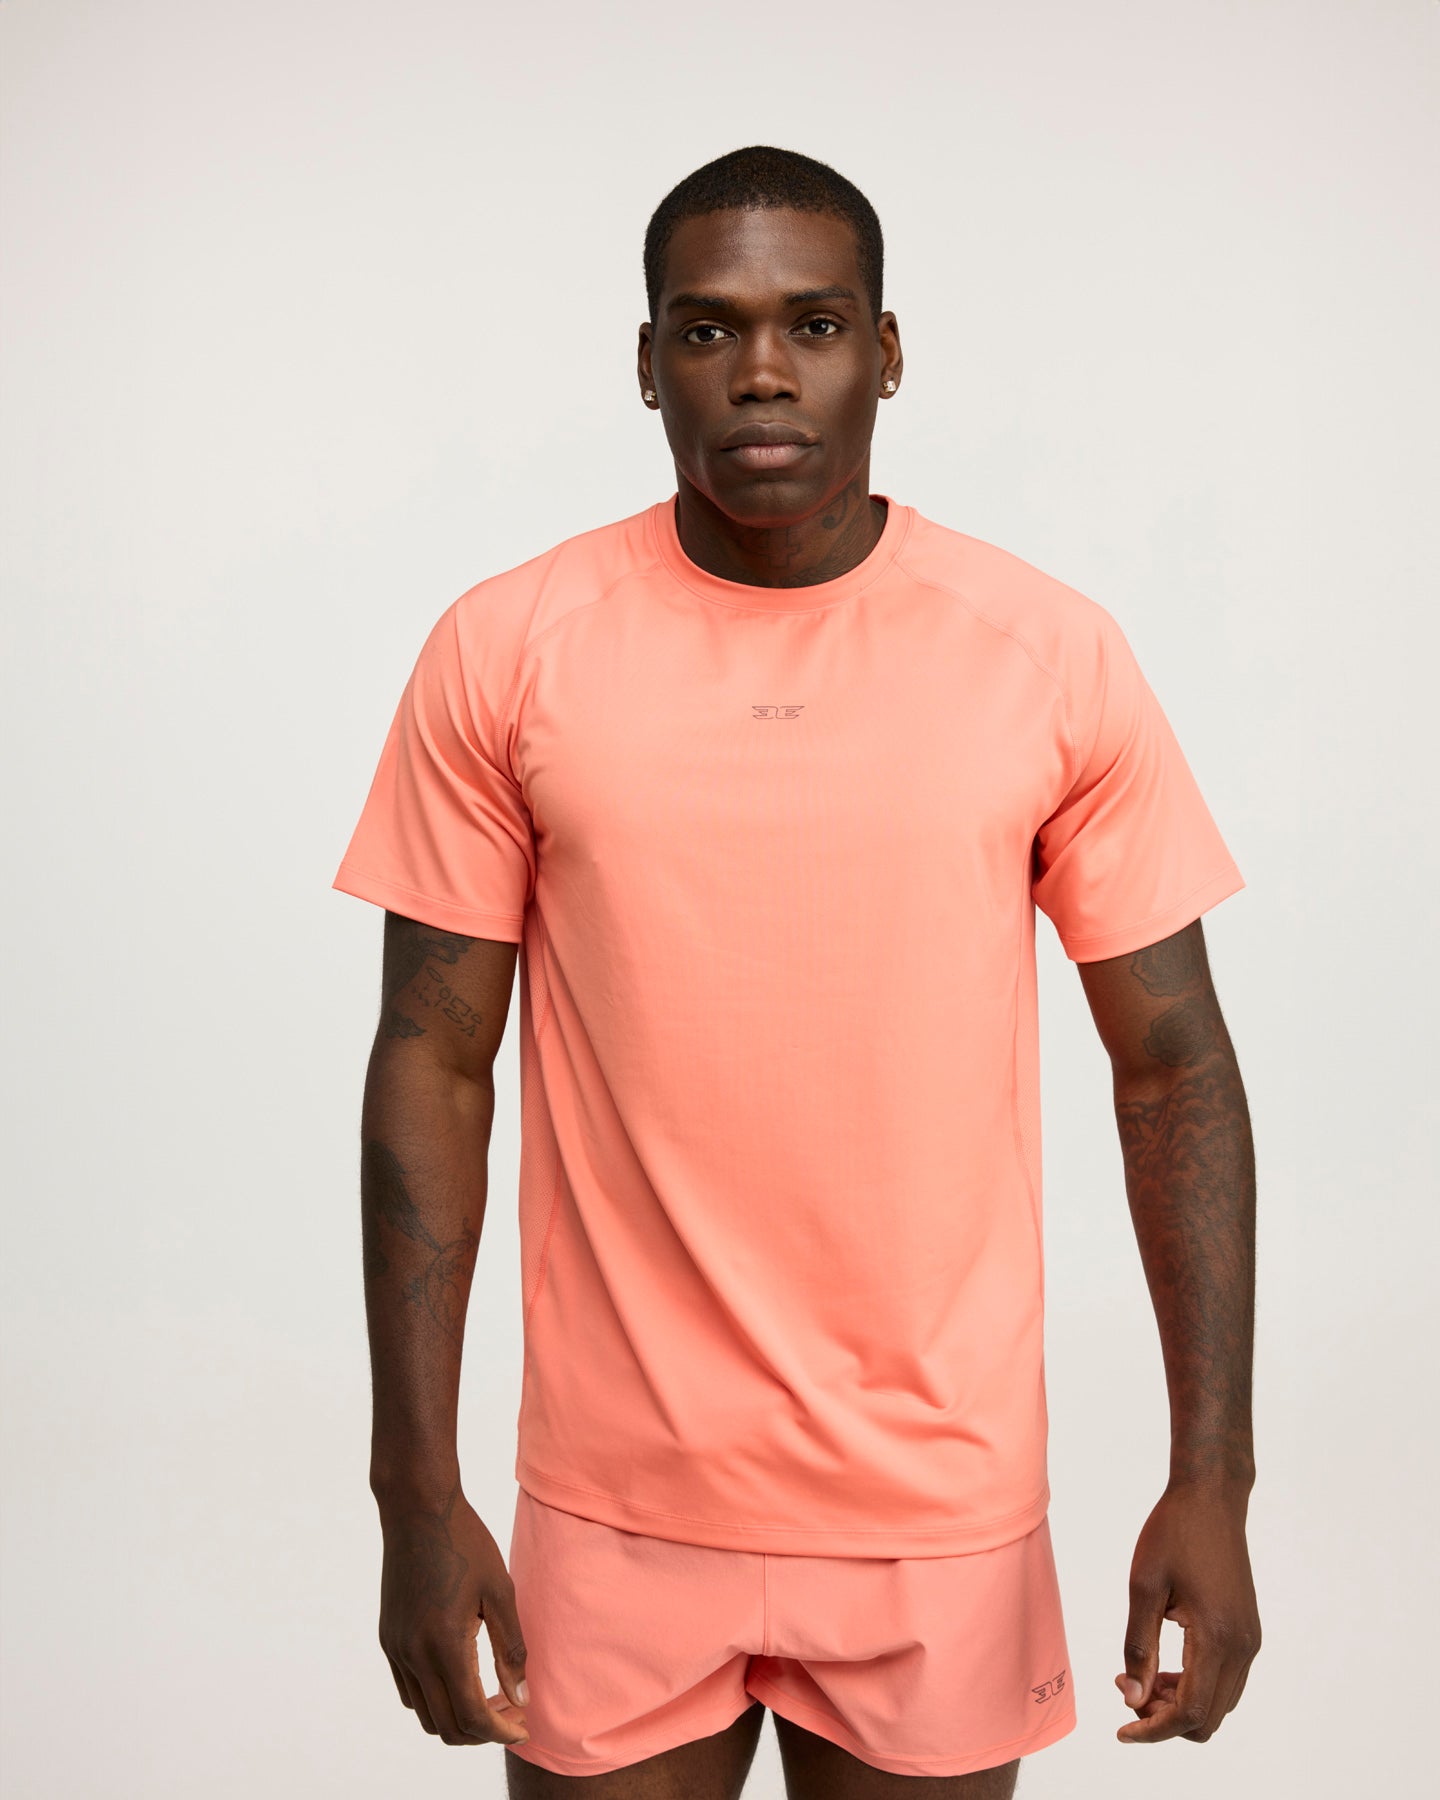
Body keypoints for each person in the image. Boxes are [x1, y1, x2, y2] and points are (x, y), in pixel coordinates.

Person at [333, 145, 1261, 1799]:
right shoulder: (510, 646)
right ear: (646, 362)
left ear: (886, 353)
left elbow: (1173, 1061)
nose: (762, 370)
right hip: (614, 1505)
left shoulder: (1044, 653)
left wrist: (1215, 1480)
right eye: (708, 329)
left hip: (935, 1507)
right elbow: (432, 1058)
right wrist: (414, 1490)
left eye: (814, 324)